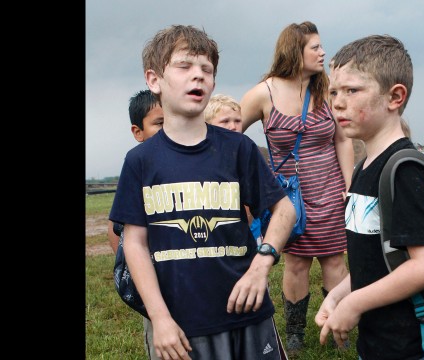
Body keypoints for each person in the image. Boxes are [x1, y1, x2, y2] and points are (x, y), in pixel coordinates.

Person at [109, 25, 296, 360]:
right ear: (154, 80)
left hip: (247, 314)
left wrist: (260, 266)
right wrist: (160, 317)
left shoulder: (238, 148)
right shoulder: (140, 161)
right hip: (180, 325)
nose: (198, 76)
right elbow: (134, 244)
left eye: (206, 69)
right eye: (184, 66)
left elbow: (284, 211)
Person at [315, 34, 424, 360]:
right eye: (333, 91)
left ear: (394, 97)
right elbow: (375, 265)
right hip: (375, 343)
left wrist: (355, 303)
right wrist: (339, 297)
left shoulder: (403, 170)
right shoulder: (362, 169)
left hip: (410, 345)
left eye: (352, 90)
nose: (338, 102)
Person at [239, 21, 353, 354]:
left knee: (334, 261)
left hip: (331, 191)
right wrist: (254, 180)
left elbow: (342, 139)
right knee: (297, 264)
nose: (322, 52)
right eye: (315, 47)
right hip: (289, 199)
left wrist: (349, 185)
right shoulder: (264, 93)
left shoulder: (326, 89)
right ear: (294, 50)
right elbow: (232, 135)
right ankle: (295, 334)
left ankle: (336, 325)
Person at [107, 89, 164, 359]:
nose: (167, 129)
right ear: (137, 131)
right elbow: (115, 228)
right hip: (156, 282)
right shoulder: (137, 166)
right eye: (159, 123)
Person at [204, 94, 262, 244]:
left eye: (237, 121)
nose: (233, 126)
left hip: (244, 228)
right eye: (225, 121)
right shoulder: (203, 158)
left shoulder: (245, 154)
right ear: (207, 124)